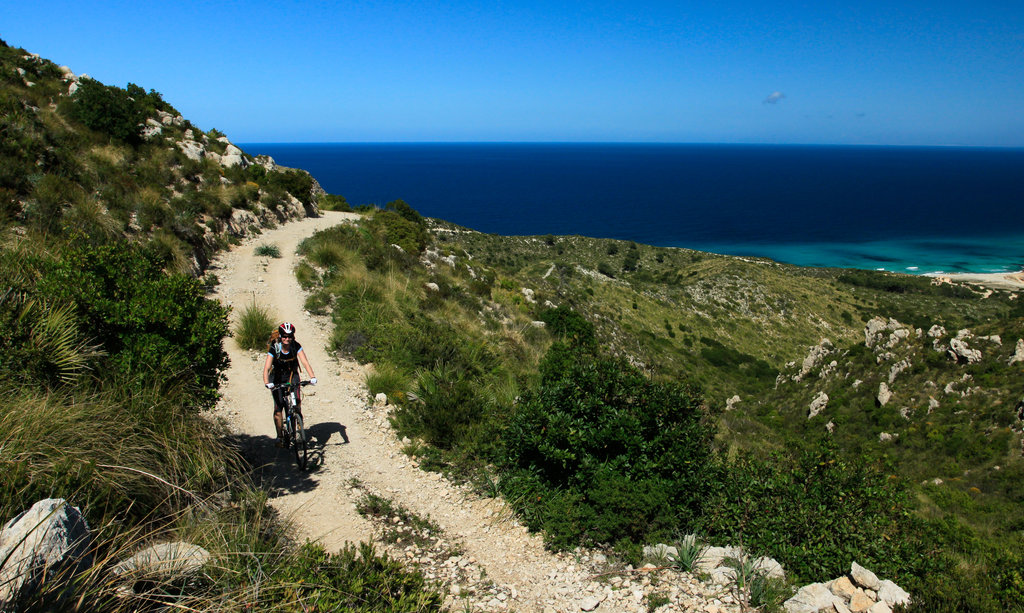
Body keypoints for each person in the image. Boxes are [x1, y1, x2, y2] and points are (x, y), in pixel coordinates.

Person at [263, 322, 317, 447]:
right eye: (284, 336)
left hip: (292, 375)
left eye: (290, 336)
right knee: (279, 407)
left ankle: (298, 429)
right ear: (280, 336)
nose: (287, 339)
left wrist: (312, 377)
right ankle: (280, 437)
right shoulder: (274, 348)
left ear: (293, 336)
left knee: (297, 402)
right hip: (277, 378)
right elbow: (266, 368)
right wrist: (267, 383)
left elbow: (305, 362)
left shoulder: (296, 346)